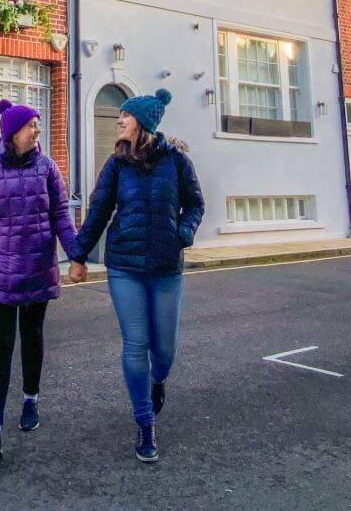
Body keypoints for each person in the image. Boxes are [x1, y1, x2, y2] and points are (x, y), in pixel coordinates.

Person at [70, 89, 204, 463]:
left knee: (164, 350)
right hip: (124, 267)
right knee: (135, 344)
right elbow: (98, 210)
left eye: (124, 117)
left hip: (165, 269)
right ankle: (145, 424)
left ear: (142, 123)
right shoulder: (116, 164)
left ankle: (158, 381)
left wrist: (182, 234)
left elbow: (195, 204)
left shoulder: (176, 162)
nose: (119, 122)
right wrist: (78, 255)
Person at [0, 99, 86, 465]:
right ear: (13, 132)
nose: (37, 130)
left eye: (38, 124)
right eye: (32, 125)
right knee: (0, 347)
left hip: (36, 267)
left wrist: (76, 256)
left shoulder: (48, 169)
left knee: (32, 338)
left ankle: (31, 398)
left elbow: (62, 215)